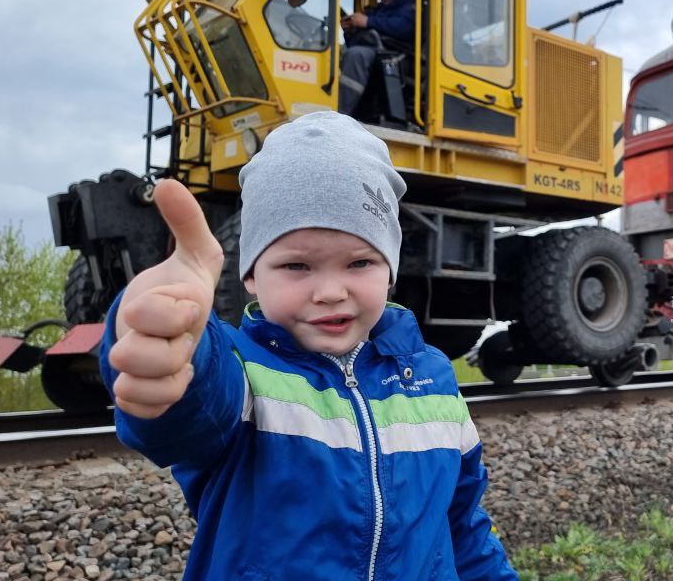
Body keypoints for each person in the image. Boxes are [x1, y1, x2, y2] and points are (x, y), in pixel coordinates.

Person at [98, 112, 517, 581]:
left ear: (391, 271)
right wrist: (168, 334)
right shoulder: (243, 378)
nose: (330, 291)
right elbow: (186, 414)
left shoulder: (434, 380)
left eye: (359, 262)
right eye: (297, 266)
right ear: (252, 275)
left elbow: (463, 527)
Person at [339, 0, 416, 117]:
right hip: (376, 53)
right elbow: (360, 40)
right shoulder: (377, 10)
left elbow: (402, 28)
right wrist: (350, 32)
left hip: (398, 55)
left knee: (356, 55)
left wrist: (367, 22)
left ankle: (341, 114)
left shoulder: (410, 5)